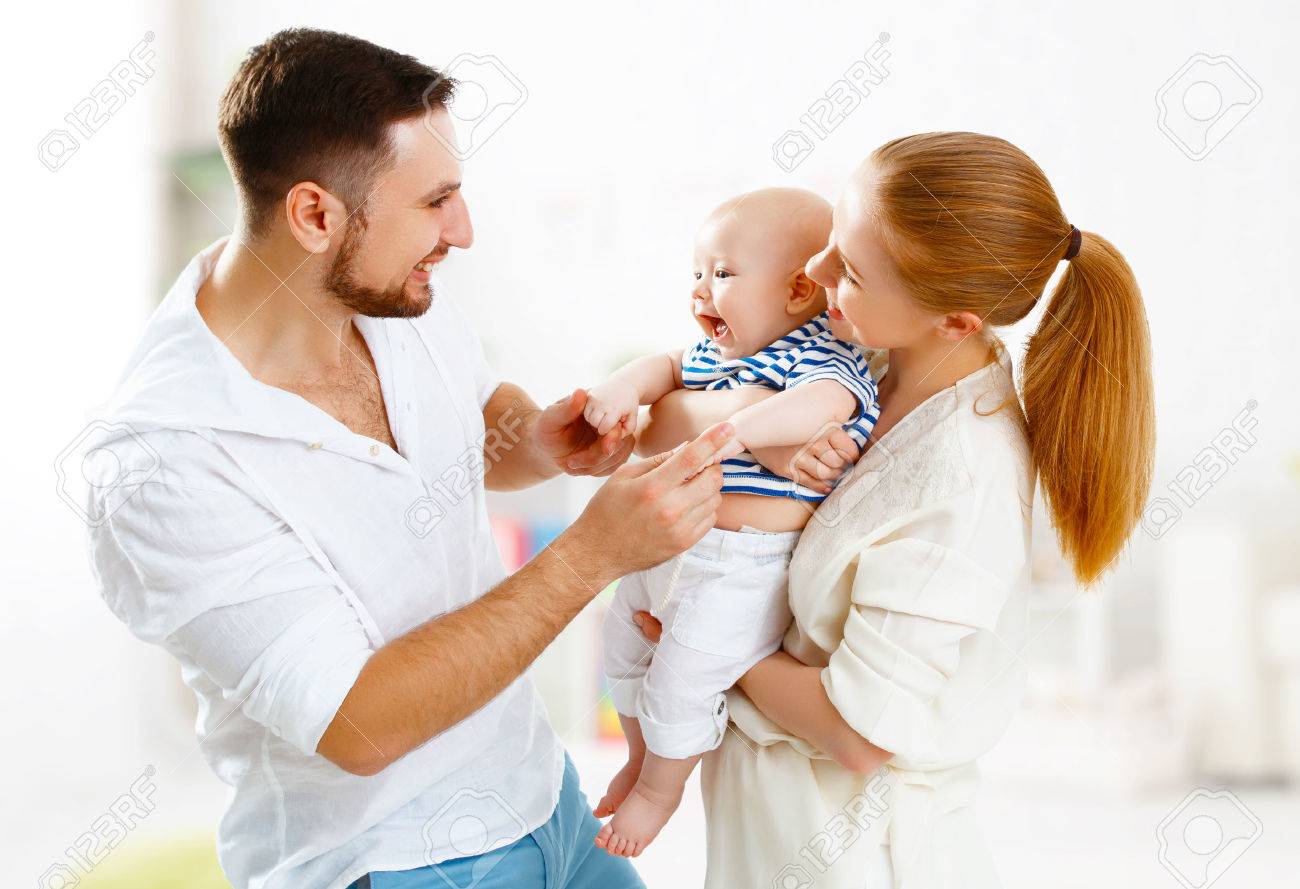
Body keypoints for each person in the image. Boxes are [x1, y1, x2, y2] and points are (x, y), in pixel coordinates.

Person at [83, 29, 742, 889]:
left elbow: (471, 410)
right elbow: (360, 725)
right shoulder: (161, 460)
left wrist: (537, 437)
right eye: (436, 202)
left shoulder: (391, 296)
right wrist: (594, 555)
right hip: (395, 863)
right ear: (315, 215)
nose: (461, 231)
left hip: (548, 803)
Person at [635, 131, 1155, 887]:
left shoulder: (962, 478)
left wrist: (706, 644)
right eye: (831, 242)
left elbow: (857, 733)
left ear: (956, 321)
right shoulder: (866, 358)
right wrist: (763, 435)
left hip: (848, 854)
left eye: (848, 270)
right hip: (768, 827)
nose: (813, 272)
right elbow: (669, 415)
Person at [582, 188, 878, 855]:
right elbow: (664, 368)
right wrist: (621, 389)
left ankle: (660, 792)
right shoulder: (718, 354)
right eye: (697, 272)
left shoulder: (818, 352)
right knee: (622, 644)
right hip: (672, 543)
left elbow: (827, 404)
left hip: (743, 565)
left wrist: (739, 427)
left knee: (681, 677)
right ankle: (639, 757)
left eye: (721, 273)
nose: (699, 290)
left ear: (798, 289)